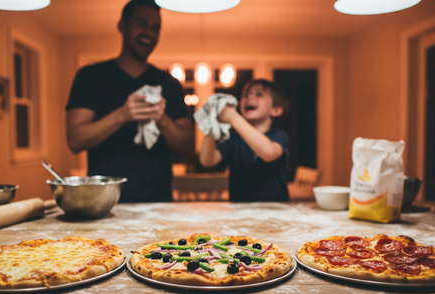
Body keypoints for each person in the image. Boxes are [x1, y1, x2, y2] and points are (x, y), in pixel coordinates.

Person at [65, 0, 194, 203]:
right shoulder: (90, 76)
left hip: (159, 203)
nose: (149, 33)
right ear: (122, 26)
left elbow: (187, 148)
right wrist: (122, 115)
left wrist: (162, 120)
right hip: (103, 203)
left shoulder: (170, 84)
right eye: (141, 23)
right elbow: (75, 140)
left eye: (156, 28)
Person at [199, 79, 290, 202]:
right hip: (239, 213)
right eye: (246, 94)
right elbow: (207, 161)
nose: (250, 97)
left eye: (259, 94)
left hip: (275, 211)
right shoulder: (234, 140)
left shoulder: (279, 135)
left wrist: (233, 117)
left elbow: (269, 153)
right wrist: (211, 128)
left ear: (276, 110)